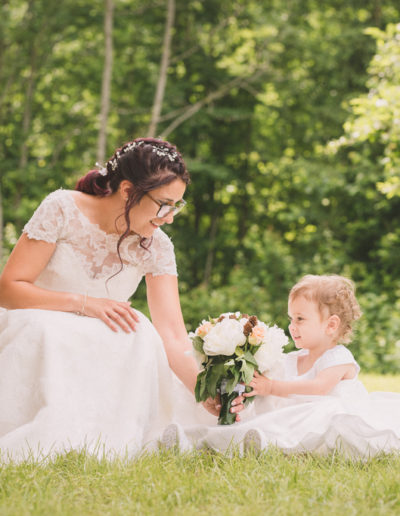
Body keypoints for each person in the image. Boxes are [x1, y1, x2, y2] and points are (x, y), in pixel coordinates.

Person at [0, 137, 242, 461]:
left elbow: (171, 333)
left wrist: (203, 390)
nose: (170, 217)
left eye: (178, 205)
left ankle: (103, 441)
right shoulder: (62, 208)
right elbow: (10, 288)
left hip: (102, 336)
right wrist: (85, 304)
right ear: (128, 191)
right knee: (46, 330)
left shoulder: (157, 246)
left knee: (140, 334)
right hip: (38, 318)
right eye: (164, 203)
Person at [176, 275, 400, 458]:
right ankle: (203, 439)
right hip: (295, 418)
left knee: (317, 411)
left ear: (331, 325)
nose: (292, 326)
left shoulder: (339, 357)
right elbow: (270, 388)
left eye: (300, 319)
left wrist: (272, 387)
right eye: (291, 319)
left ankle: (263, 442)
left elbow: (319, 388)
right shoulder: (293, 359)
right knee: (268, 411)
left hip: (322, 419)